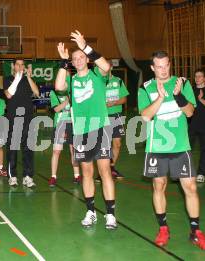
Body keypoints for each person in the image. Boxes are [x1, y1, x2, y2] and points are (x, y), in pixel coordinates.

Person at [138, 50, 205, 251]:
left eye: (166, 65)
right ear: (152, 67)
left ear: (170, 64)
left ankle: (196, 231)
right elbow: (145, 116)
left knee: (190, 188)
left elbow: (190, 112)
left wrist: (178, 96)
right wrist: (160, 98)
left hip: (180, 146)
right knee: (159, 186)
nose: (163, 70)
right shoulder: (145, 88)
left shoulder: (183, 83)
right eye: (158, 66)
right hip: (156, 147)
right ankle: (163, 228)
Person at [55, 30, 117, 229]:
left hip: (101, 128)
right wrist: (64, 62)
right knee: (86, 172)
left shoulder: (98, 75)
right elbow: (58, 86)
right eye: (75, 58)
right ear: (72, 63)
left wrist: (86, 46)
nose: (79, 60)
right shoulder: (72, 81)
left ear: (87, 59)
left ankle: (110, 214)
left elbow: (106, 66)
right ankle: (90, 211)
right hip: (81, 132)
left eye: (81, 57)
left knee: (105, 171)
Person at [4, 59, 39, 188]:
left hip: (28, 119)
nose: (20, 67)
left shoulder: (27, 80)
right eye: (17, 64)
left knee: (28, 149)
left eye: (22, 65)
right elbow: (8, 95)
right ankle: (12, 176)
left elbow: (37, 92)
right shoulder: (8, 79)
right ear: (13, 66)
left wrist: (29, 77)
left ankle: (28, 176)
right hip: (13, 119)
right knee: (12, 149)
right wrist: (17, 78)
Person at [48, 89, 80, 187]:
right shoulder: (53, 92)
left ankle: (77, 175)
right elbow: (56, 109)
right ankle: (53, 176)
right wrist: (67, 101)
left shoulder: (73, 90)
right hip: (60, 124)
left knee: (73, 151)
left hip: (73, 124)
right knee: (56, 151)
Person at [104, 69, 129, 179]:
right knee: (104, 145)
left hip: (116, 116)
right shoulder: (98, 82)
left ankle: (111, 168)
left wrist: (113, 102)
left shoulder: (118, 81)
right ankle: (103, 171)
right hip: (102, 116)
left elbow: (124, 99)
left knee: (117, 143)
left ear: (110, 68)